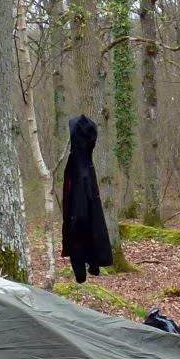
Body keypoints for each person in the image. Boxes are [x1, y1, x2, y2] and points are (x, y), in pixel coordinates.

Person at [60, 115, 112, 283]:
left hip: (81, 191)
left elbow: (78, 214)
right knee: (90, 221)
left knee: (79, 224)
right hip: (86, 183)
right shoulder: (82, 160)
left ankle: (84, 269)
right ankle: (91, 263)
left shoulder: (78, 162)